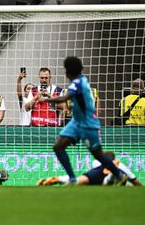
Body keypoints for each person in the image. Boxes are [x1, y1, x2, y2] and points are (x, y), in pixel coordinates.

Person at [39, 56, 128, 185]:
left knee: (98, 155)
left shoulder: (77, 83)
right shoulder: (81, 80)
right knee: (58, 146)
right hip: (76, 122)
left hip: (87, 124)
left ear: (68, 72)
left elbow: (64, 99)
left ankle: (119, 175)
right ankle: (72, 179)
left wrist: (46, 99)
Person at [37, 151, 142, 187]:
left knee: (80, 181)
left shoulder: (96, 162)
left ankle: (59, 179)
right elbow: (135, 181)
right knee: (127, 184)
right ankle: (111, 178)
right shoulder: (121, 166)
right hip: (109, 178)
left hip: (96, 175)